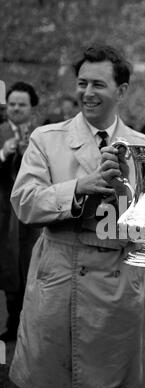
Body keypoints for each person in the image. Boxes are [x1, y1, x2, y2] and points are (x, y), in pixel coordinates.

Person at [9, 44, 145, 388]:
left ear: (122, 90)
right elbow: (24, 201)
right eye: (82, 83)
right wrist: (79, 188)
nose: (88, 92)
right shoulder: (46, 139)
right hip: (59, 279)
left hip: (114, 285)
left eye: (99, 84)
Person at [0, 81, 41, 342]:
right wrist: (3, 154)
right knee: (7, 265)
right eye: (12, 104)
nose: (16, 108)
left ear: (31, 107)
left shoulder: (41, 135)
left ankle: (25, 321)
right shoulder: (1, 131)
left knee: (29, 264)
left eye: (21, 104)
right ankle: (12, 319)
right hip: (3, 211)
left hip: (31, 213)